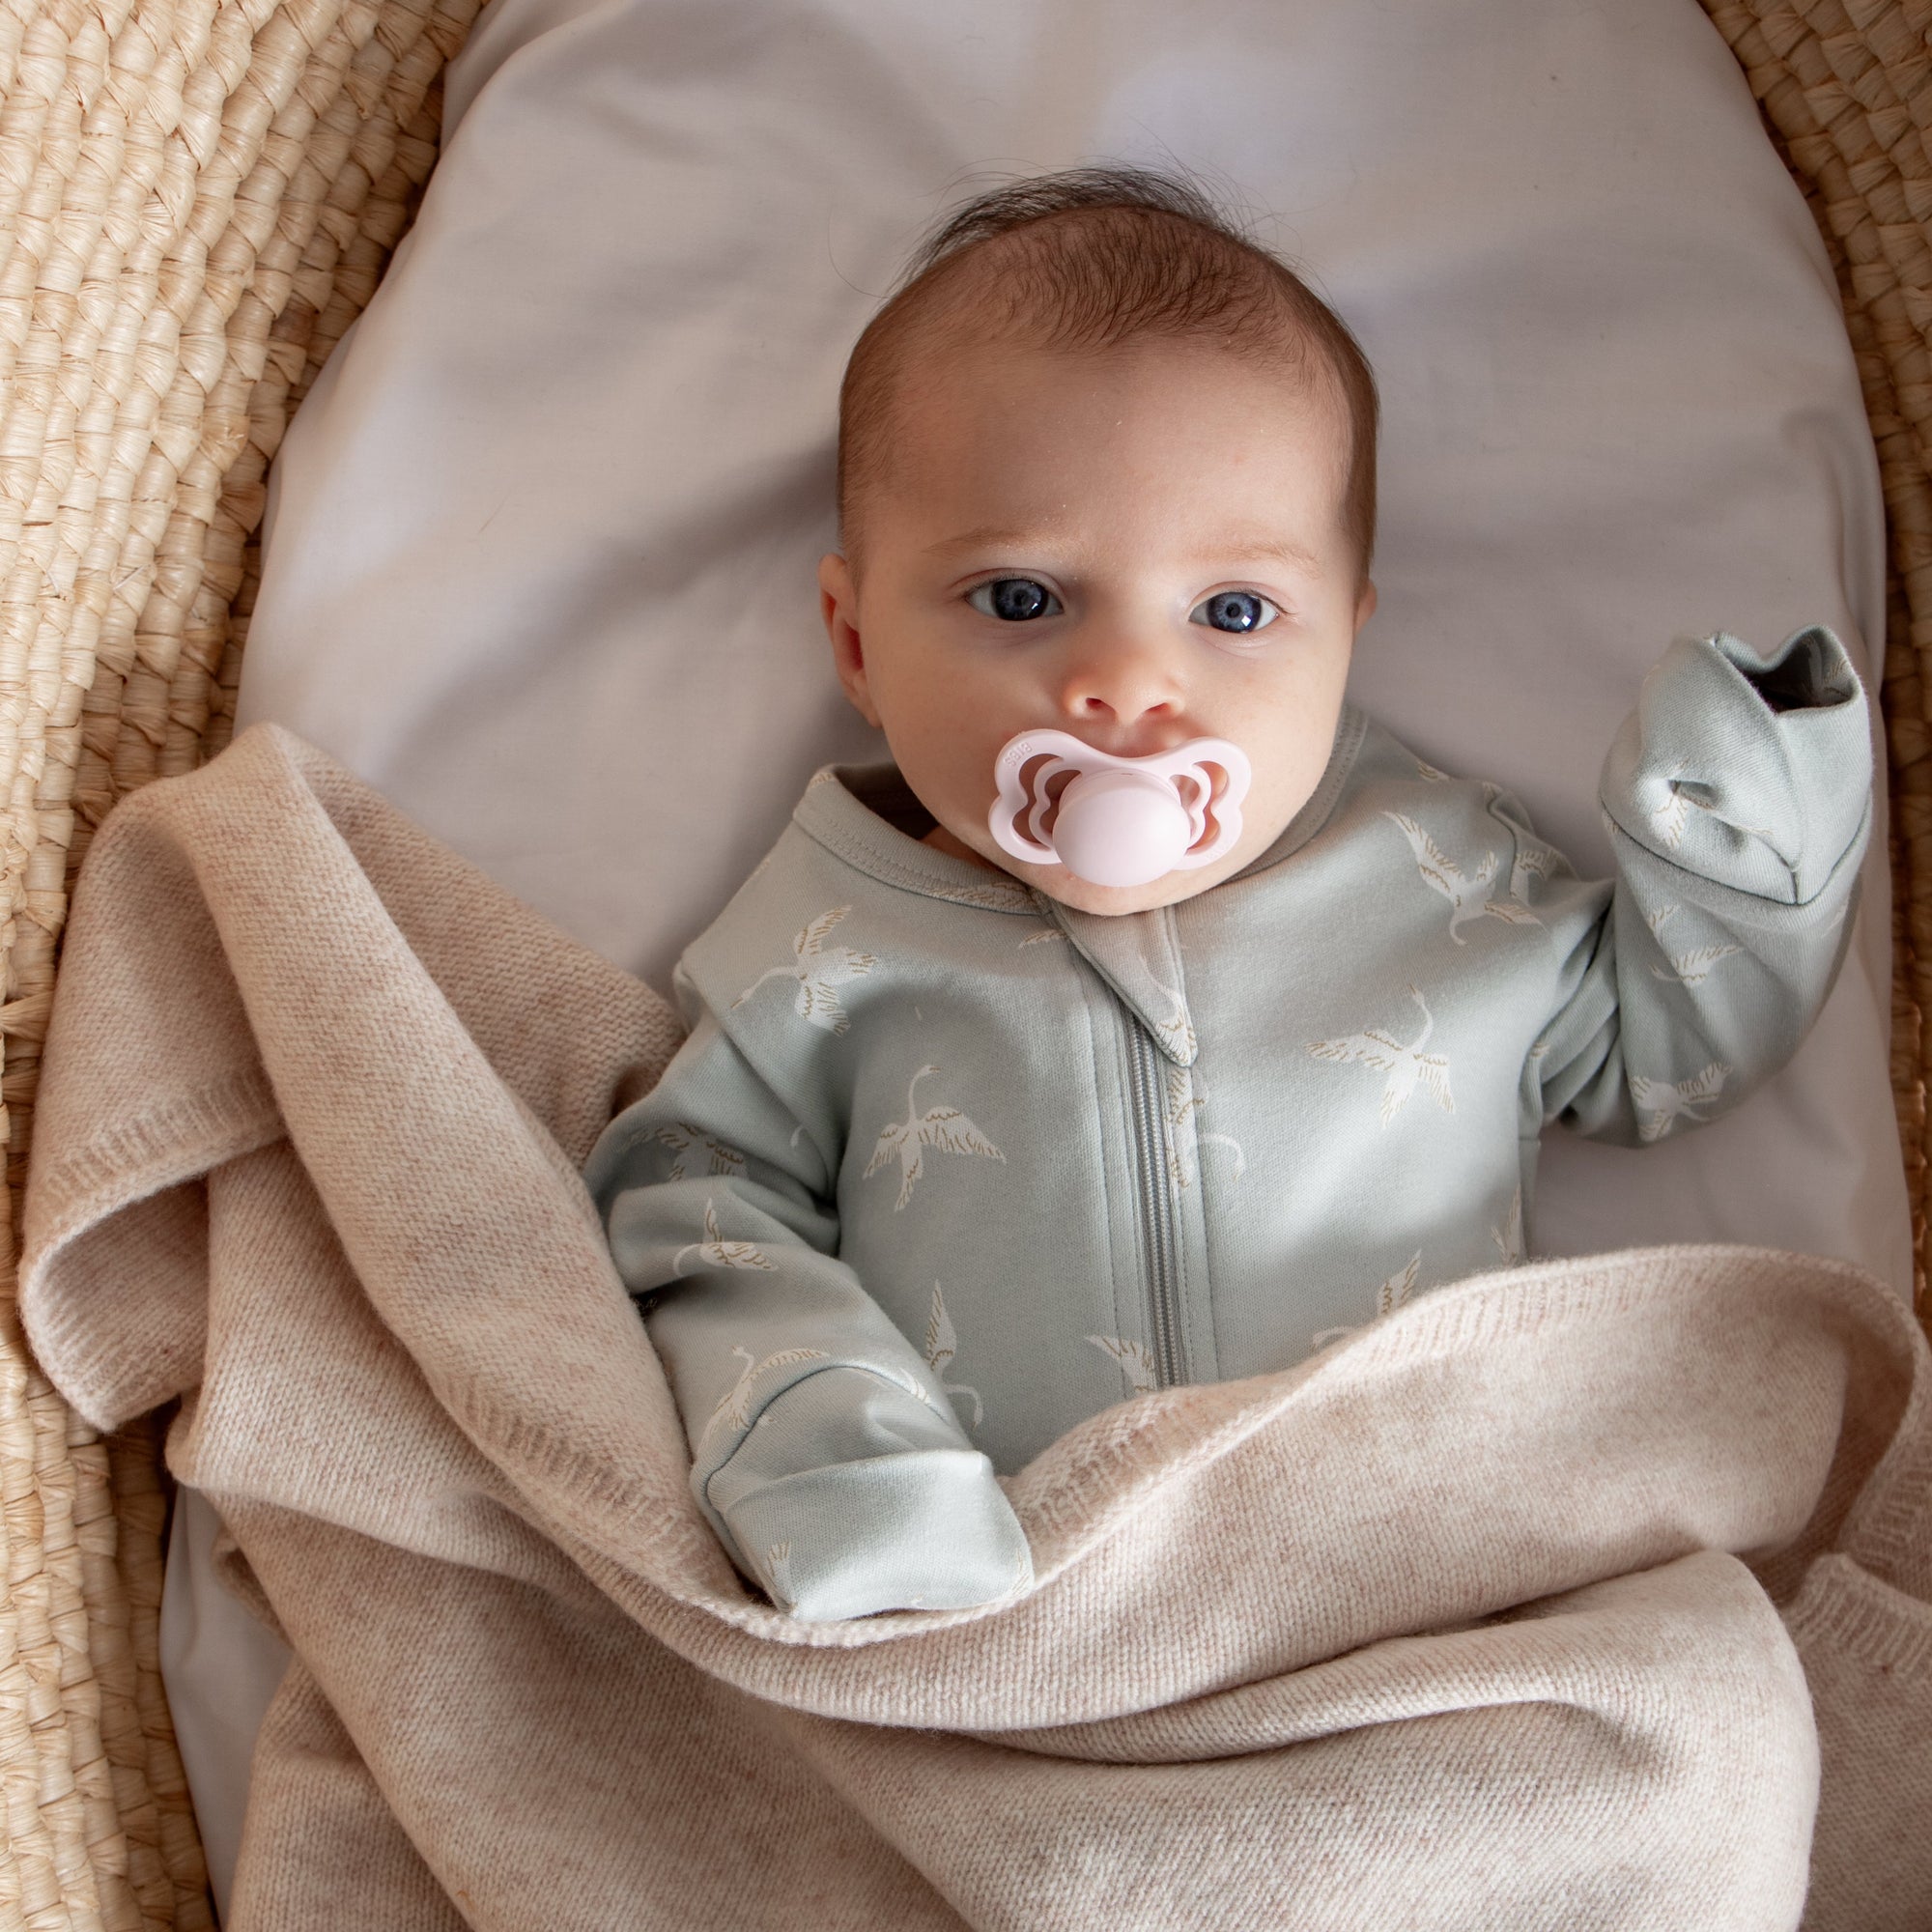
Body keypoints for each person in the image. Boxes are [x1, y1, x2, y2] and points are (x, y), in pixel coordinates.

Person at [583, 167, 1873, 1621]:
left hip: (1429, 1598)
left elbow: (1668, 1057)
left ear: (1345, 641)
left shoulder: (1437, 877)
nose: (1129, 683)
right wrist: (845, 1470)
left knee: (1705, 1696)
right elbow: (696, 1217)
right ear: (859, 643)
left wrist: (1742, 811)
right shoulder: (824, 943)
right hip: (1014, 1612)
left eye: (1235, 612)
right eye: (1020, 598)